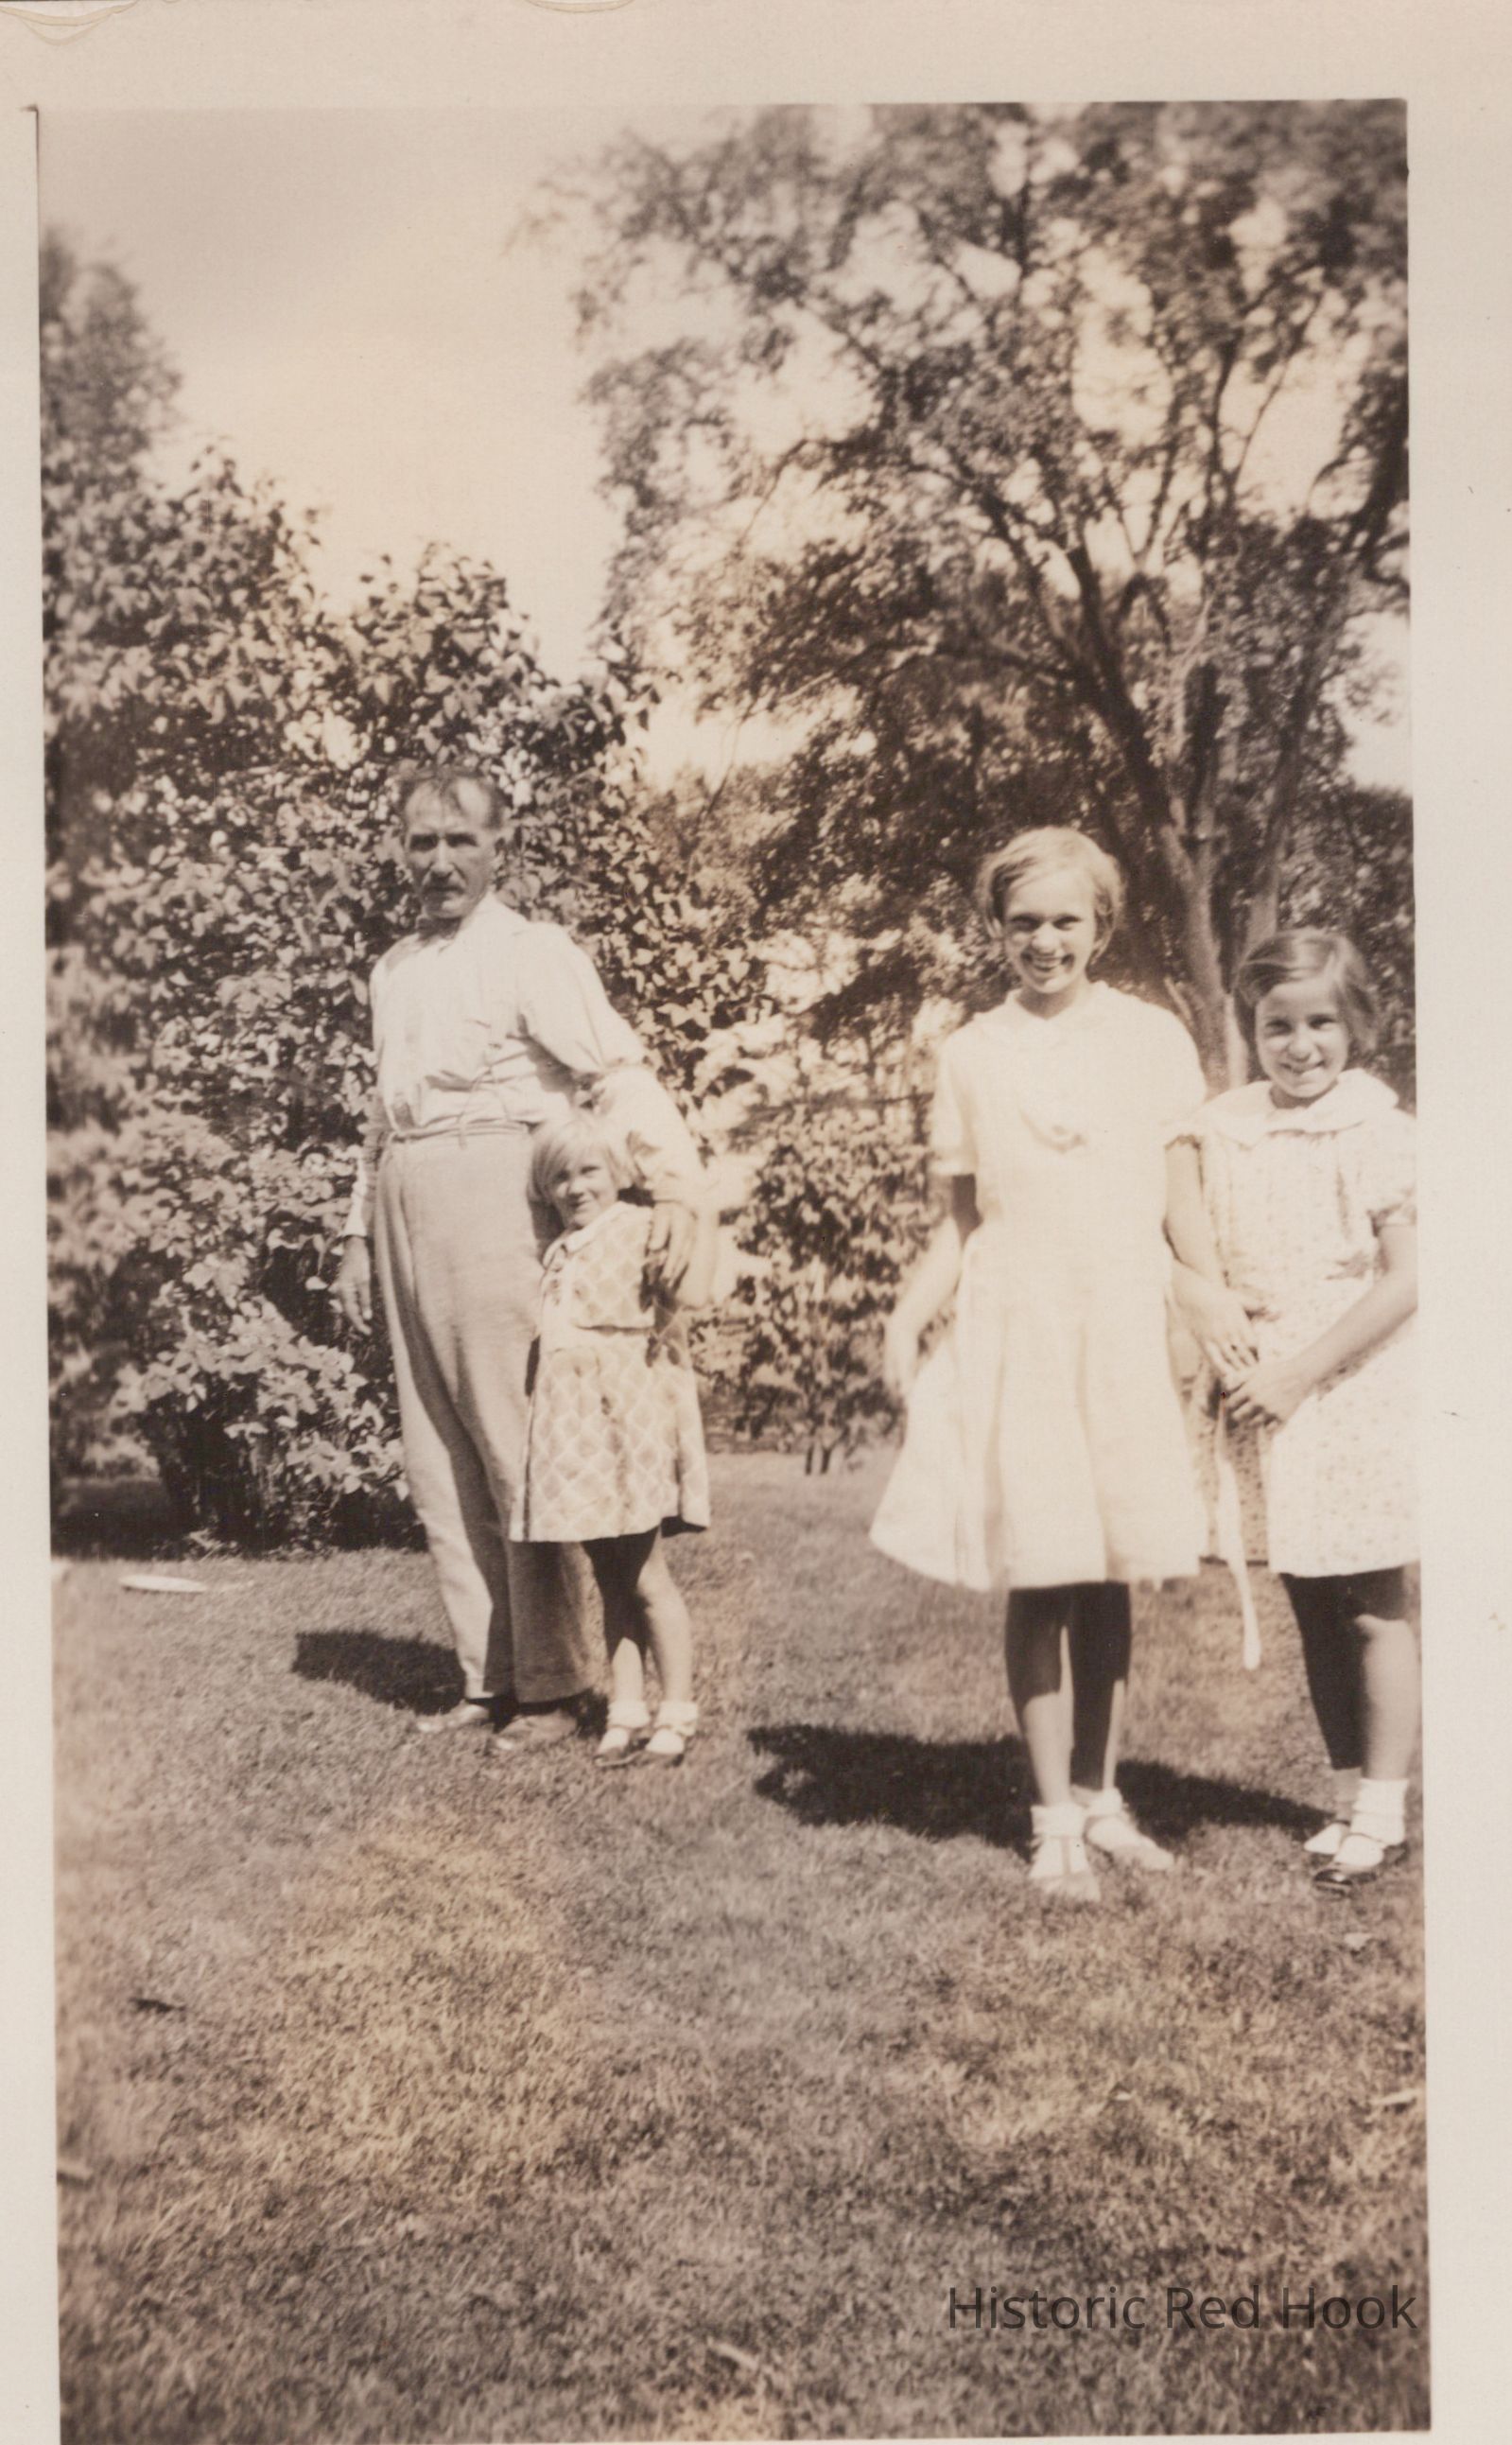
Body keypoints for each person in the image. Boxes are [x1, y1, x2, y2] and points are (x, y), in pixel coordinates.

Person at [871, 827, 1219, 1900]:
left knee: (1111, 1566)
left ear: (1100, 926)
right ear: (996, 928)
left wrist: (1202, 1301)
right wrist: (905, 1319)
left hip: (1120, 1316)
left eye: (1066, 919)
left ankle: (1101, 1795)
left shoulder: (1153, 1037)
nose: (1045, 940)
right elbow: (958, 1225)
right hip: (1019, 1320)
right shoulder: (972, 1052)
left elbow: (1181, 1200)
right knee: (1043, 1566)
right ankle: (1051, 1818)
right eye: (1023, 921)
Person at [333, 766, 706, 1754]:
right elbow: (380, 1116)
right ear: (400, 849)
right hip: (408, 1197)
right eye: (422, 841)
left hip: (498, 1187)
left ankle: (551, 1683)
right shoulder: (393, 968)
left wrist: (674, 1186)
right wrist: (356, 1233)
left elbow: (614, 1070)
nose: (440, 861)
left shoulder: (533, 951)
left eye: (461, 840)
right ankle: (486, 1675)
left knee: (513, 1443)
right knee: (437, 1452)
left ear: (502, 846)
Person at [1168, 930, 1418, 1888]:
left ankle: (1384, 1814)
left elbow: (1408, 1278)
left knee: (1371, 1606)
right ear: (1252, 1027)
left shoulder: (1376, 1128)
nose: (1300, 1044)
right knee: (1311, 1598)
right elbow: (1178, 1205)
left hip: (1350, 1379)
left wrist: (1301, 1370)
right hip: (1267, 1385)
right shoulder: (1226, 1126)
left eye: (1321, 1022)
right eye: (1278, 1025)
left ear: (1355, 1026)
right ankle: (1348, 1799)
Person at [513, 1113, 717, 1768]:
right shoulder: (559, 1250)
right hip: (576, 1437)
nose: (575, 1187)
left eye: (588, 1171)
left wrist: (690, 1214)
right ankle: (625, 1709)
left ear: (617, 1174)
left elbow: (690, 1293)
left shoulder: (638, 1229)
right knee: (608, 1576)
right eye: (559, 1177)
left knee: (645, 1575)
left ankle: (676, 1710)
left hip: (625, 1426)